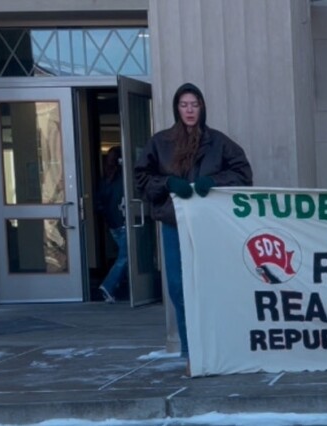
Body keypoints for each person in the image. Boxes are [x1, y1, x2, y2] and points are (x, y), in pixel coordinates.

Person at [134, 83, 253, 376]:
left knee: (211, 283)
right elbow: (142, 178)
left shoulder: (219, 143)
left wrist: (214, 181)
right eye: (184, 104)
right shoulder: (160, 142)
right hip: (175, 223)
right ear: (177, 107)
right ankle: (191, 350)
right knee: (178, 285)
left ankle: (217, 345)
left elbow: (242, 174)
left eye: (194, 104)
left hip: (210, 226)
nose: (189, 110)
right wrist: (166, 184)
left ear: (202, 107)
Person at [96, 146, 127, 304]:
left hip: (112, 223)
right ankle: (109, 286)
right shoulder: (123, 177)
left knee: (125, 255)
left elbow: (101, 202)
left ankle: (118, 284)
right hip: (123, 221)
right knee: (126, 257)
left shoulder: (106, 178)